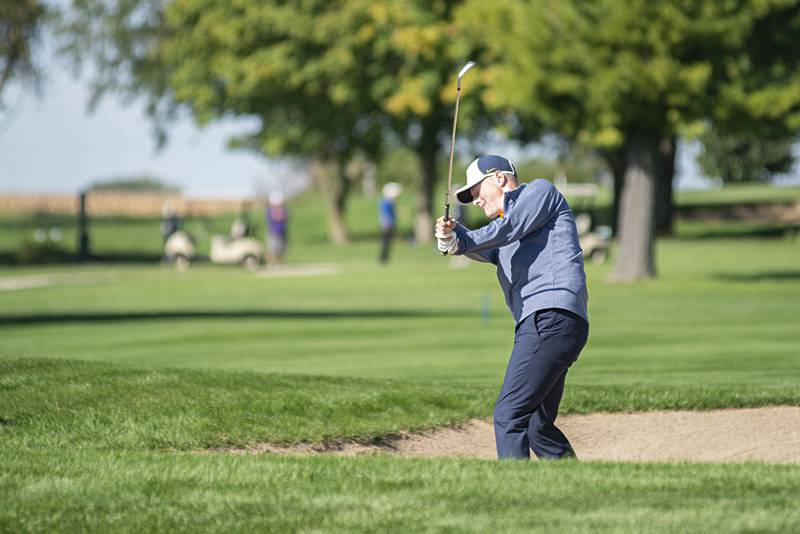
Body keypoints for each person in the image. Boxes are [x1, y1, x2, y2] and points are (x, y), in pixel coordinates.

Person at [435, 155, 589, 460]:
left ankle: (513, 496)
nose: (476, 200)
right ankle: (575, 488)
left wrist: (460, 241)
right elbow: (482, 242)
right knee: (536, 425)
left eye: (477, 191)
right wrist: (450, 235)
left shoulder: (540, 193)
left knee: (508, 414)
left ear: (500, 178)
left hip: (550, 317)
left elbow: (507, 229)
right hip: (548, 324)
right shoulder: (503, 228)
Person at [378, 182, 402, 264]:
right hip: (387, 225)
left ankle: (385, 258)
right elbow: (385, 214)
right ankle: (382, 259)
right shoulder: (385, 202)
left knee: (388, 243)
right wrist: (387, 223)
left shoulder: (391, 203)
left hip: (390, 225)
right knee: (385, 242)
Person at [266, 192, 288, 265]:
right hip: (273, 232)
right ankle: (271, 263)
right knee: (273, 249)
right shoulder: (270, 210)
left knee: (281, 249)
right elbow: (277, 217)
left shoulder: (283, 210)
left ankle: (278, 263)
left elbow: (286, 217)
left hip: (282, 232)